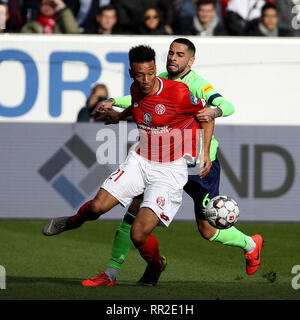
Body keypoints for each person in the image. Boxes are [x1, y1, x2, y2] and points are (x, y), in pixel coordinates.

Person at [83, 38, 264, 286]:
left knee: (207, 230)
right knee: (132, 216)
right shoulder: (160, 80)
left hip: (199, 165)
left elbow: (226, 104)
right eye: (170, 53)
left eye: (179, 54)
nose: (172, 58)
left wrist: (214, 111)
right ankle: (111, 272)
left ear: (190, 60)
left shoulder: (197, 84)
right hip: (163, 163)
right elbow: (139, 100)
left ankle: (251, 243)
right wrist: (115, 101)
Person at [42, 45, 209, 287]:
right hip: (140, 160)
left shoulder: (179, 92)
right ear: (132, 73)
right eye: (140, 74)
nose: (146, 80)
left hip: (170, 169)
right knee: (98, 207)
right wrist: (120, 116)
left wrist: (205, 152)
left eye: (151, 72)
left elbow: (205, 115)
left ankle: (155, 265)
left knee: (138, 233)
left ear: (155, 68)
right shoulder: (136, 89)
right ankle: (72, 222)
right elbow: (141, 106)